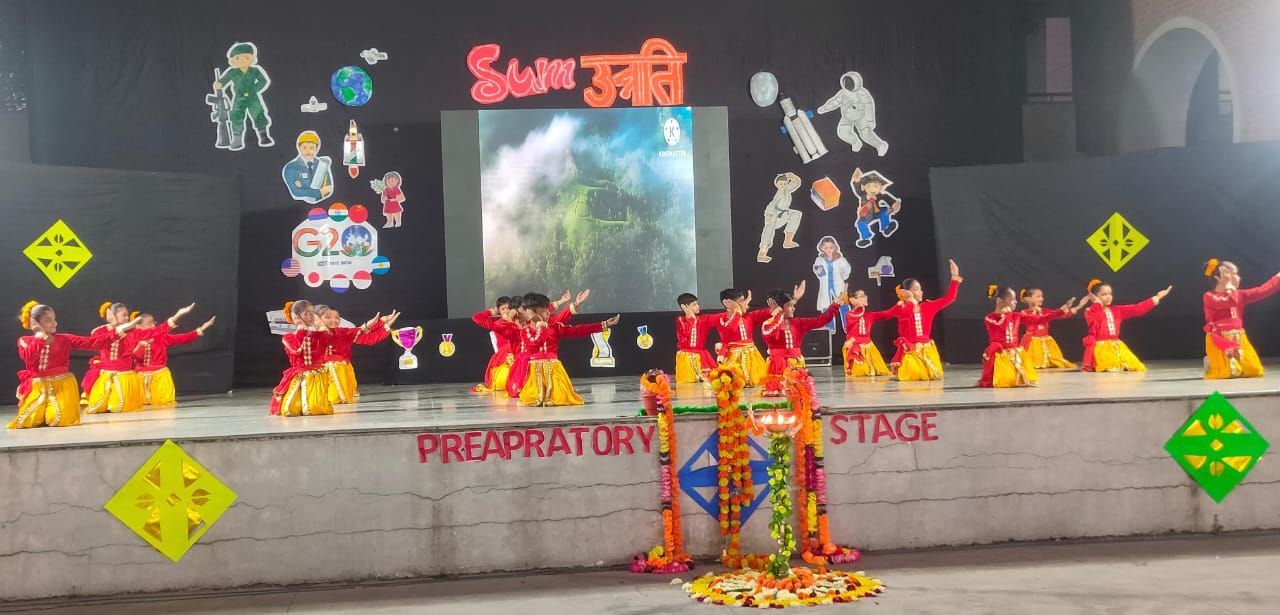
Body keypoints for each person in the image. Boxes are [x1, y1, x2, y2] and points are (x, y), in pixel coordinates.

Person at [10, 302, 135, 429]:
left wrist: (121, 330)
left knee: (56, 419)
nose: (54, 323)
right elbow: (30, 357)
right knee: (26, 421)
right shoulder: (25, 341)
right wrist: (39, 335)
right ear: (35, 323)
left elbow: (94, 342)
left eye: (54, 319)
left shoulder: (64, 339)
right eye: (48, 320)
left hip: (62, 386)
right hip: (38, 387)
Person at [489, 293, 619, 407]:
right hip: (533, 373)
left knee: (562, 398)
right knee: (530, 398)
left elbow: (578, 330)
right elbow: (533, 340)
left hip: (555, 371)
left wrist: (604, 324)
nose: (548, 313)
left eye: (547, 310)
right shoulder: (523, 332)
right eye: (544, 311)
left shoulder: (554, 328)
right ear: (532, 312)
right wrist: (516, 317)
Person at [85, 301, 197, 414]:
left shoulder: (133, 332)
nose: (127, 317)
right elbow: (97, 341)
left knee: (118, 408)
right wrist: (114, 326)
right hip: (106, 376)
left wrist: (178, 314)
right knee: (96, 408)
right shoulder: (100, 331)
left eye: (127, 315)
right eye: (124, 315)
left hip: (125, 377)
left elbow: (159, 330)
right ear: (112, 315)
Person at [978, 286, 1085, 388]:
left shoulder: (1016, 316)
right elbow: (1000, 326)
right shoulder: (990, 318)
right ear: (999, 301)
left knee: (1024, 380)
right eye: (1012, 299)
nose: (1015, 302)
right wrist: (1006, 315)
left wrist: (1060, 311)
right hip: (1000, 354)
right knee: (1005, 381)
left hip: (1014, 352)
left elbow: (1039, 319)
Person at [883, 260, 963, 381]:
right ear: (907, 292)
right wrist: (908, 300)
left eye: (920, 289)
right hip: (910, 349)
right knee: (914, 373)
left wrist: (955, 276)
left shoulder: (928, 307)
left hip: (926, 348)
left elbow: (949, 298)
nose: (920, 292)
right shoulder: (901, 308)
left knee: (930, 375)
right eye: (916, 289)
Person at [1202, 259, 1280, 379]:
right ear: (1219, 278)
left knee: (1255, 370)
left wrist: (1278, 277)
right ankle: (1212, 362)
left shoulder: (1239, 295)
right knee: (1231, 371)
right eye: (1233, 274)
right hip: (1220, 340)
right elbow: (1230, 301)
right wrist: (1229, 286)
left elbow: (1262, 291)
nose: (1238, 278)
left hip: (1239, 339)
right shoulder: (1209, 297)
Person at [715, 283, 803, 387]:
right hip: (733, 358)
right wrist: (737, 310)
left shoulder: (749, 317)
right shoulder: (721, 319)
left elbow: (773, 311)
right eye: (742, 301)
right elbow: (731, 327)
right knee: (732, 381)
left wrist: (793, 301)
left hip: (753, 358)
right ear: (729, 304)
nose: (746, 303)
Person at [760, 288, 844, 396]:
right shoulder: (768, 324)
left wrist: (836, 304)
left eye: (793, 305)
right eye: (790, 306)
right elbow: (771, 335)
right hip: (777, 368)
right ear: (780, 308)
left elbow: (821, 320)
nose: (793, 308)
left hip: (796, 368)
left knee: (799, 397)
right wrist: (778, 315)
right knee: (779, 398)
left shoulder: (798, 323)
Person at [504, 291, 586, 398]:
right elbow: (493, 325)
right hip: (521, 366)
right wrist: (507, 317)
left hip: (539, 364)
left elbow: (550, 315)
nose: (527, 313)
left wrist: (572, 303)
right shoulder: (512, 328)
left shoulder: (538, 324)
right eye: (524, 310)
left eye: (527, 310)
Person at [1081, 280, 1171, 373]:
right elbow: (1097, 317)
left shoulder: (1117, 310)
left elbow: (1137, 308)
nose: (1108, 297)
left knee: (1134, 367)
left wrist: (1157, 297)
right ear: (1095, 296)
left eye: (1110, 294)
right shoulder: (1090, 311)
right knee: (1109, 367)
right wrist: (1096, 302)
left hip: (1117, 346)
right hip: (1100, 348)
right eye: (1104, 294)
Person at [315, 305, 398, 404]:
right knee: (336, 399)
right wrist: (379, 322)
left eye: (337, 317)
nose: (334, 320)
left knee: (347, 398)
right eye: (327, 317)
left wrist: (384, 324)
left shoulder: (341, 332)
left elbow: (367, 336)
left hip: (345, 369)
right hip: (331, 372)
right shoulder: (315, 335)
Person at [132, 313, 217, 406]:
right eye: (149, 323)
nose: (153, 326)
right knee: (140, 407)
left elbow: (181, 338)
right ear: (138, 326)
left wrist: (202, 328)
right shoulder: (134, 338)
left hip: (160, 378)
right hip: (140, 380)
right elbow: (136, 356)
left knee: (163, 408)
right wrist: (143, 344)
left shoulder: (160, 337)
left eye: (153, 323)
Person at [270, 300, 335, 417]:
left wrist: (323, 325)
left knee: (316, 408)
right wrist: (301, 329)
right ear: (296, 317)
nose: (311, 317)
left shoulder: (319, 335)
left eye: (312, 313)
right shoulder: (288, 337)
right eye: (306, 314)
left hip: (317, 376)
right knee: (289, 409)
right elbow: (296, 349)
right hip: (300, 375)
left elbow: (337, 341)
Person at [212, 42, 273, 150]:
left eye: (246, 58)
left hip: (253, 98)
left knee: (259, 115)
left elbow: (263, 81)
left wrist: (254, 89)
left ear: (252, 59)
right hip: (239, 98)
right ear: (233, 61)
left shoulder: (255, 70)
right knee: (236, 117)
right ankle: (237, 139)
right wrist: (220, 84)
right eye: (238, 58)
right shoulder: (232, 71)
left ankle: (264, 136)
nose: (242, 61)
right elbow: (224, 80)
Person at [1019, 288, 1080, 370]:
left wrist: (1075, 308)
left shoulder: (1044, 311)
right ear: (1027, 299)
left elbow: (1057, 315)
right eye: (1038, 296)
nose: (1041, 298)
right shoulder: (1024, 313)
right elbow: (1050, 315)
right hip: (1032, 341)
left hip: (1046, 339)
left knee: (1056, 360)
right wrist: (1062, 309)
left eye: (1042, 296)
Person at [842, 289, 894, 378]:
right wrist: (859, 305)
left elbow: (886, 314)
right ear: (853, 300)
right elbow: (858, 313)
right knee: (861, 372)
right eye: (862, 296)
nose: (866, 297)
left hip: (869, 348)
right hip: (856, 348)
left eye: (865, 295)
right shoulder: (849, 315)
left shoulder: (869, 315)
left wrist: (898, 307)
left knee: (880, 371)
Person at [472, 296, 516, 393]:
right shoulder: (495, 323)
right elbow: (476, 317)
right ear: (498, 311)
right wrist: (491, 312)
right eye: (502, 309)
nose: (506, 311)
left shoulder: (518, 321)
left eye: (508, 308)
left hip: (517, 354)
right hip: (503, 357)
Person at [756, 172, 802, 264]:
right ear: (777, 184)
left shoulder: (787, 190)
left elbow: (797, 183)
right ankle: (761, 254)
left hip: (783, 213)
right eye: (780, 184)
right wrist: (768, 216)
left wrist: (791, 176)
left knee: (796, 214)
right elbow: (771, 205)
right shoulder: (779, 194)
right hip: (774, 214)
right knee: (769, 230)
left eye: (784, 184)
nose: (783, 185)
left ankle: (787, 241)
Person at [849, 169, 900, 249]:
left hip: (877, 213)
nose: (872, 189)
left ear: (881, 188)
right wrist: (857, 180)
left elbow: (890, 201)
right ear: (864, 187)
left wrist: (893, 208)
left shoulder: (881, 195)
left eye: (876, 186)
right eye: (868, 186)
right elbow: (858, 188)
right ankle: (866, 238)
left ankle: (886, 227)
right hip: (866, 215)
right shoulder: (863, 195)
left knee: (885, 211)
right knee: (861, 224)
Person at [674, 293, 718, 384]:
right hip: (686, 358)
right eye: (694, 305)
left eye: (697, 304)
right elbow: (686, 332)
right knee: (688, 384)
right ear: (684, 307)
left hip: (701, 356)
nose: (698, 306)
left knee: (710, 381)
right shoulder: (680, 320)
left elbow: (718, 317)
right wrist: (690, 316)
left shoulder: (703, 319)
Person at [281, 131, 334, 204]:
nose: (308, 151)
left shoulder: (322, 165)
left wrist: (303, 188)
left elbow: (328, 189)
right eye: (304, 147)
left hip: (323, 204)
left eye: (311, 148)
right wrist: (319, 192)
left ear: (317, 148)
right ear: (299, 147)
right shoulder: (291, 167)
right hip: (297, 205)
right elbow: (296, 192)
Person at [812, 236, 851, 332]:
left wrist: (843, 276)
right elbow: (818, 272)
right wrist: (818, 271)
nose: (829, 250)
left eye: (831, 247)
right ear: (822, 248)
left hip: (839, 286)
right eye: (826, 248)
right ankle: (829, 327)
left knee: (844, 305)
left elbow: (847, 270)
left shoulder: (841, 259)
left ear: (835, 247)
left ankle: (848, 326)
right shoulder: (819, 260)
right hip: (826, 287)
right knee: (826, 306)